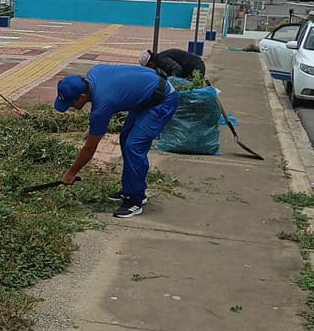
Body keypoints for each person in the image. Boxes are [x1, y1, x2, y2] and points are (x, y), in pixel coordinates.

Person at [54, 64, 178, 219]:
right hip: (148, 95)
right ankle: (129, 190)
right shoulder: (95, 73)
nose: (70, 107)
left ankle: (135, 199)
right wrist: (94, 130)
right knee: (125, 137)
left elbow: (90, 148)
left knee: (134, 146)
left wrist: (71, 173)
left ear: (83, 97)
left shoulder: (102, 104)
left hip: (163, 100)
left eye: (71, 103)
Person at [139, 47, 207, 82]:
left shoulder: (162, 60)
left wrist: (171, 82)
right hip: (190, 70)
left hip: (196, 67)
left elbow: (177, 69)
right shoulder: (159, 60)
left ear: (151, 63)